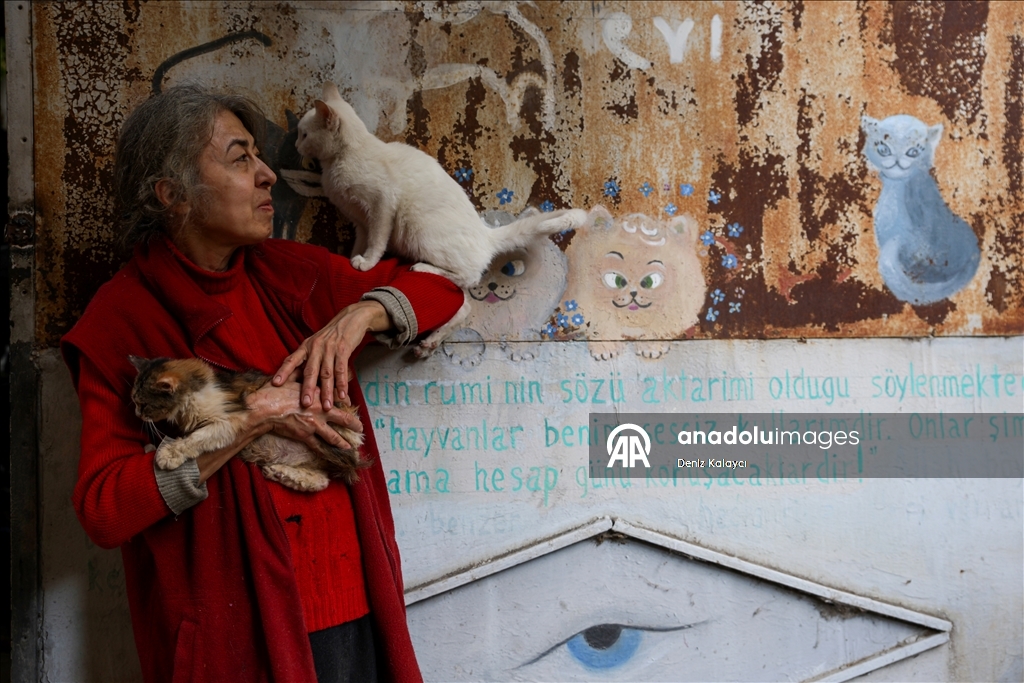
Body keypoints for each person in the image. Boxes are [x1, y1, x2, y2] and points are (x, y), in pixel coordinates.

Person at [61, 85, 464, 683]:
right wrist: (252, 415)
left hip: (347, 603)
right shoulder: (122, 321)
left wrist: (360, 316)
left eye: (259, 156)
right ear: (173, 196)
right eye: (239, 158)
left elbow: (444, 288)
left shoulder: (293, 273)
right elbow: (105, 510)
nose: (268, 176)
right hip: (231, 632)